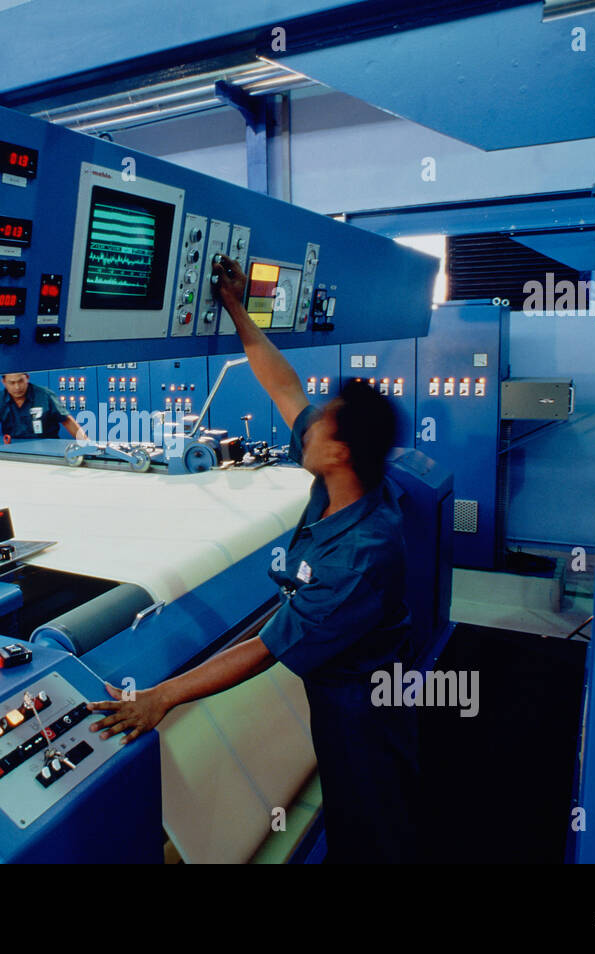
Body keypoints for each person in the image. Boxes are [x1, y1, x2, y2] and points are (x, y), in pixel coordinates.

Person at [88, 253, 421, 863]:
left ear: (340, 453)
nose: (306, 426)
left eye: (321, 428)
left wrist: (161, 696)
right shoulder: (343, 481)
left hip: (362, 704)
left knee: (371, 814)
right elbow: (284, 384)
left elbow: (264, 648)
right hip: (339, 684)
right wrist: (236, 307)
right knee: (358, 807)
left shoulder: (363, 555)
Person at [0, 372, 86, 460]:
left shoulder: (44, 396)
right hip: (15, 455)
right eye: (11, 383)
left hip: (48, 455)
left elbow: (67, 421)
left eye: (20, 381)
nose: (17, 387)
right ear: (3, 382)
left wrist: (86, 444)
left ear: (27, 378)